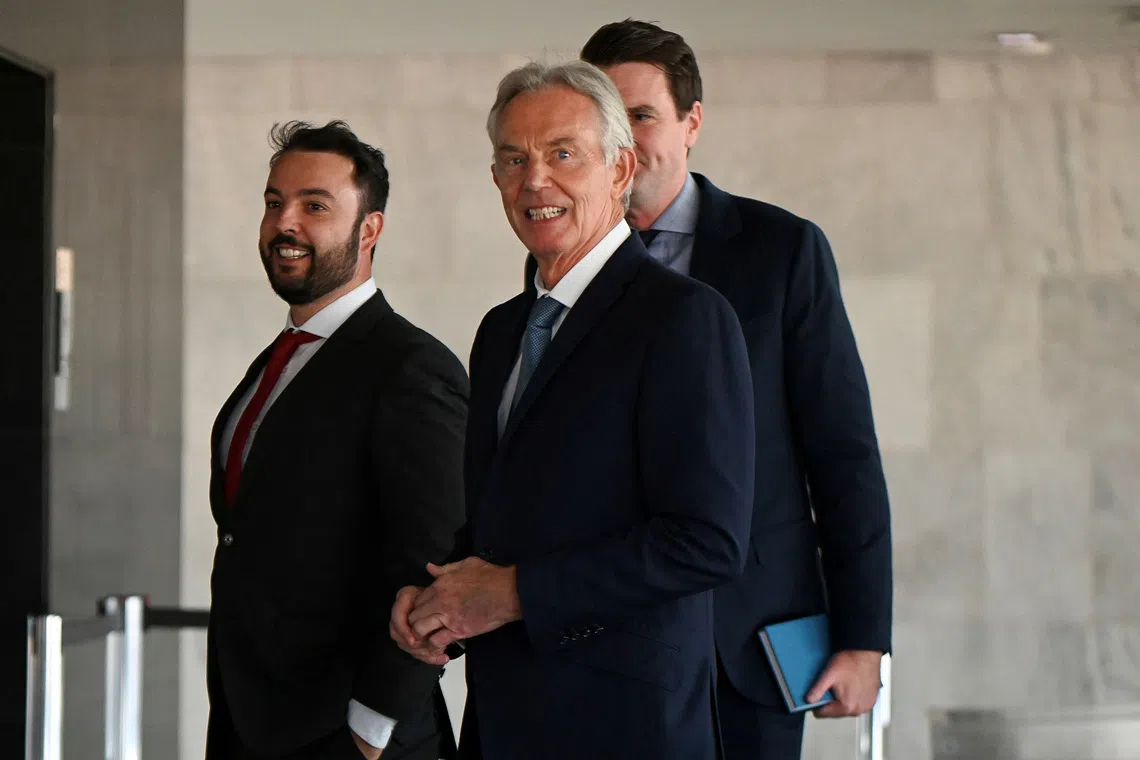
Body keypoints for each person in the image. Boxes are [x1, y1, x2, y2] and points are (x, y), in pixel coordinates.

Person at [389, 61, 755, 760]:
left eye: (563, 154)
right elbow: (506, 520)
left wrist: (515, 594)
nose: (535, 180)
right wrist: (437, 599)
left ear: (620, 169)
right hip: (503, 720)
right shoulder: (502, 330)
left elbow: (707, 540)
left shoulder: (683, 318)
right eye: (514, 159)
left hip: (627, 728)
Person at [562, 20, 895, 760]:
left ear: (692, 122)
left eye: (642, 115)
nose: (623, 141)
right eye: (606, 120)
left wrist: (864, 639)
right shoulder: (565, 262)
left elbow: (842, 451)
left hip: (748, 641)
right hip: (608, 639)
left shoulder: (782, 251)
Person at [205, 120, 468, 760]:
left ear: (369, 229)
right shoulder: (280, 360)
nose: (285, 223)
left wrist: (371, 726)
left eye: (315, 206)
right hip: (251, 724)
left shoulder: (410, 367)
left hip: (351, 736)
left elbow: (438, 559)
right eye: (274, 203)